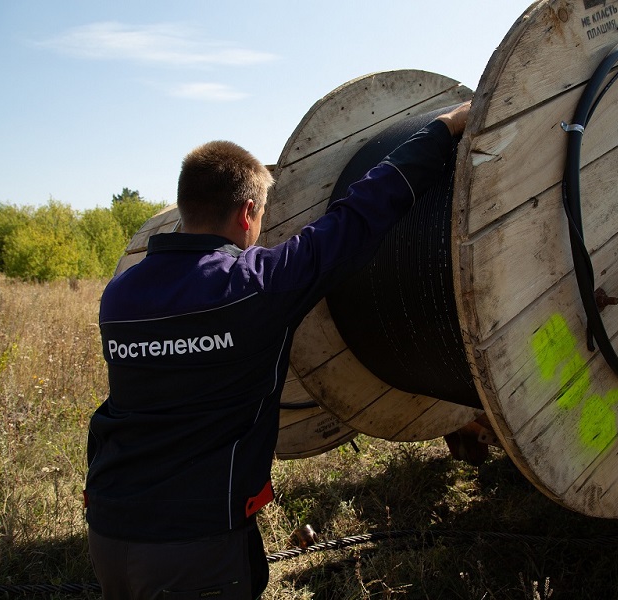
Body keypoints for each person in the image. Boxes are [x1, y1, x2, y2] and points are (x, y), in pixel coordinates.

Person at [84, 100, 471, 599]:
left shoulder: (120, 296)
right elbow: (360, 216)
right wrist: (441, 130)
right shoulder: (255, 286)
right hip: (195, 545)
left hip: (110, 529)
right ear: (247, 212)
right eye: (262, 215)